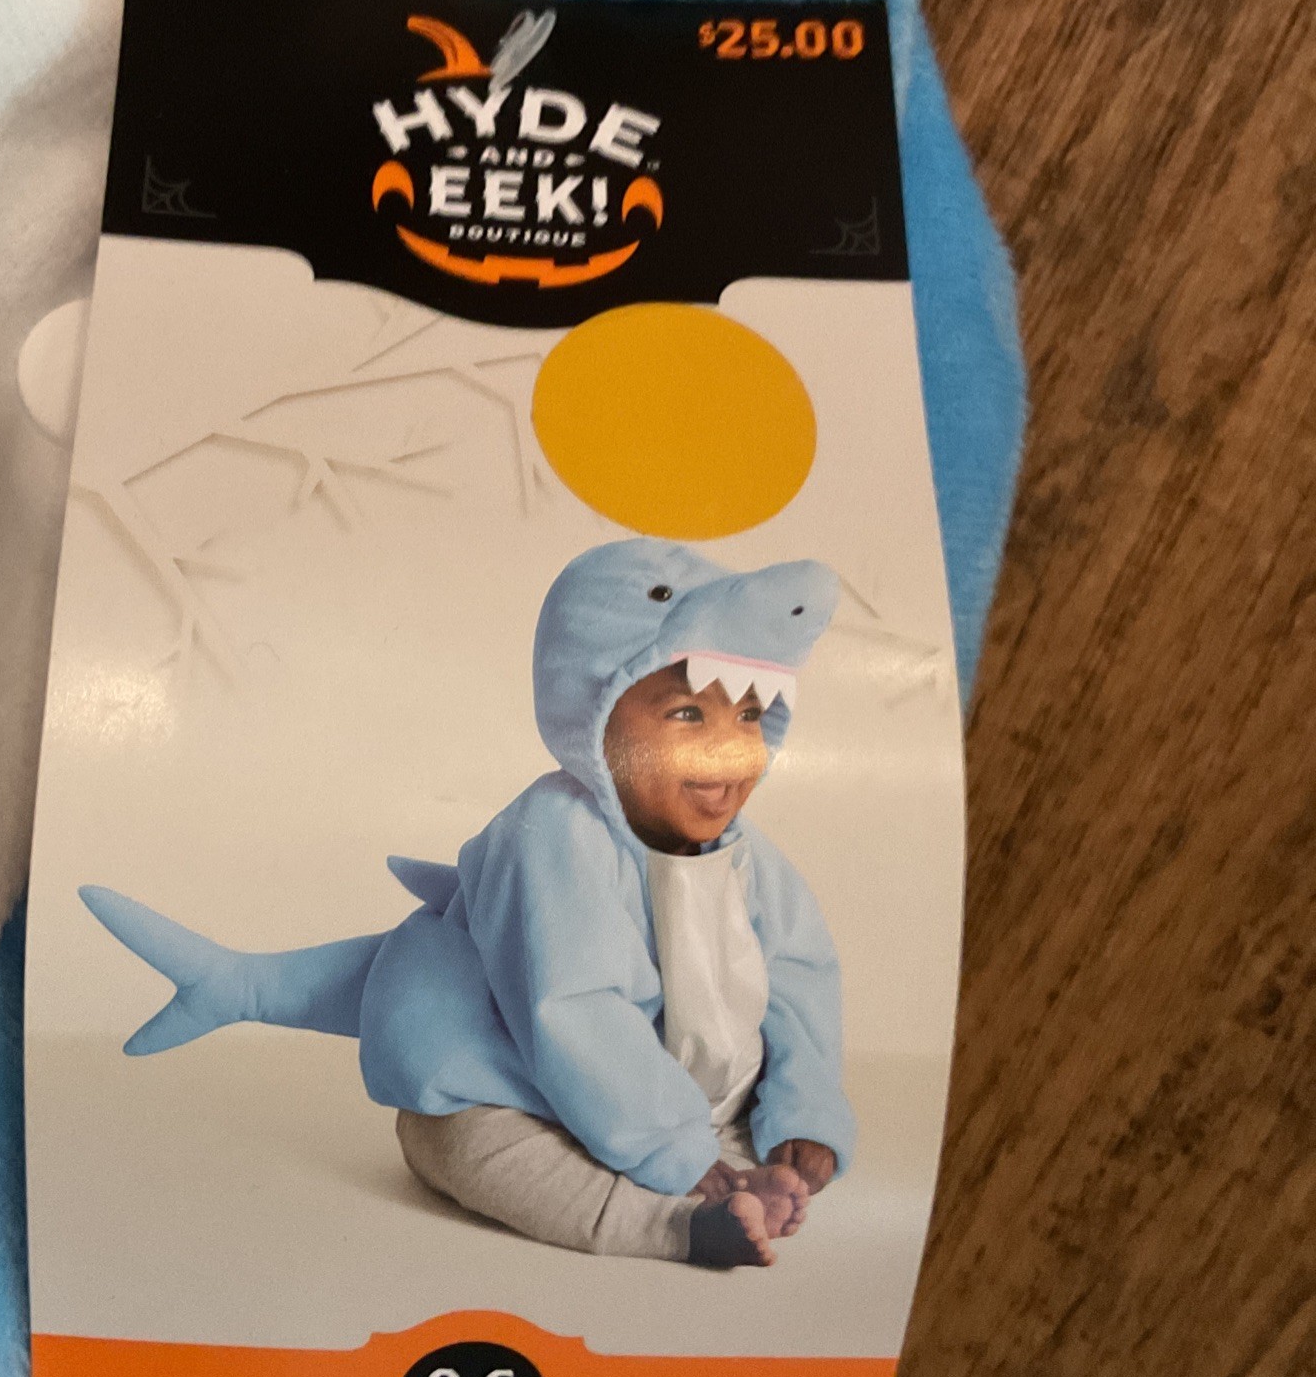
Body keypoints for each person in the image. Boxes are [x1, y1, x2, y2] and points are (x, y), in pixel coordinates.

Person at [81, 538, 855, 1268]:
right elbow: (574, 1004)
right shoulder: (551, 835)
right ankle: (670, 1226)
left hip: (669, 1099)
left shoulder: (750, 859)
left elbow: (801, 977)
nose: (726, 749)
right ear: (592, 711)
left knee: (732, 1123)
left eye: (748, 716)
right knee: (468, 1145)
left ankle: (716, 1169)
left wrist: (803, 1113)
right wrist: (680, 1155)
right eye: (686, 714)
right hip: (523, 1086)